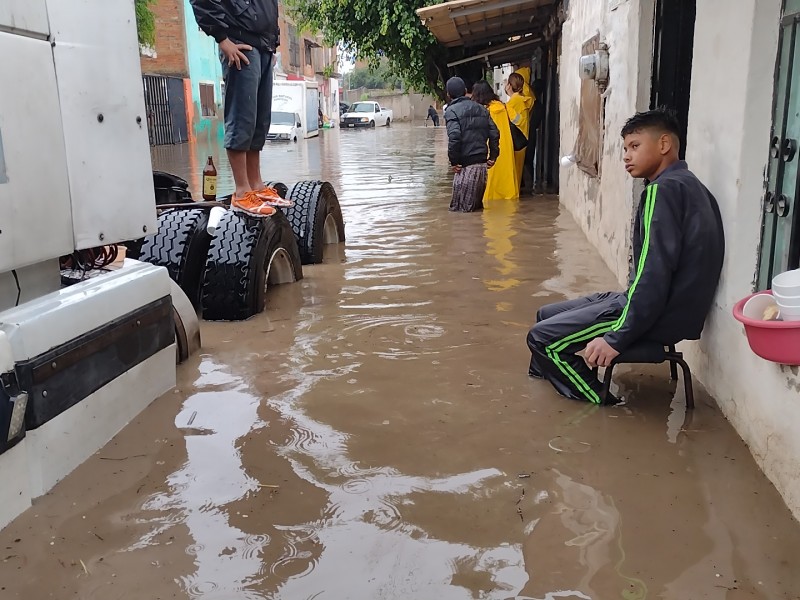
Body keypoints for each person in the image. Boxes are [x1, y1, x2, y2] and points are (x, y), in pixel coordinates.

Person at [526, 109, 725, 405]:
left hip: (659, 315)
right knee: (546, 315)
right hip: (664, 307)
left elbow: (653, 274)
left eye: (634, 146)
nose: (626, 156)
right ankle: (549, 383)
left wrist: (616, 337)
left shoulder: (663, 191)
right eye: (624, 149)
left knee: (543, 339)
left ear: (664, 145)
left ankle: (603, 403)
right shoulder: (692, 185)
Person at [190, 0, 283, 217]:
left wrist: (272, 44)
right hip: (239, 41)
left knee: (258, 121)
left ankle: (256, 185)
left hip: (264, 45)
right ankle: (242, 191)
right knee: (242, 117)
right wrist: (223, 39)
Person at [443, 77, 500, 212]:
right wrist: (493, 156)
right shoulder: (482, 109)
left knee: (461, 212)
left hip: (464, 168)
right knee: (476, 210)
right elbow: (495, 133)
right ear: (464, 91)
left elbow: (454, 137)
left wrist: (454, 162)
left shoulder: (451, 111)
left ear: (448, 94)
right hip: (481, 167)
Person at [471, 81, 518, 202]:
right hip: (506, 146)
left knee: (490, 177)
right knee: (506, 175)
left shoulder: (482, 111)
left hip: (489, 147)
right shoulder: (504, 106)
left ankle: (490, 198)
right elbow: (519, 120)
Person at [505, 72, 533, 196]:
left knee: (514, 174)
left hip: (516, 141)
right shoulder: (522, 99)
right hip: (522, 140)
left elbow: (510, 118)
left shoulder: (514, 100)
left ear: (510, 86)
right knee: (518, 171)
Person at [522, 79, 546, 193]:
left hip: (523, 135)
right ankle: (529, 186)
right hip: (531, 136)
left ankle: (525, 185)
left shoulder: (526, 103)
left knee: (523, 160)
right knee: (528, 161)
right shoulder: (539, 106)